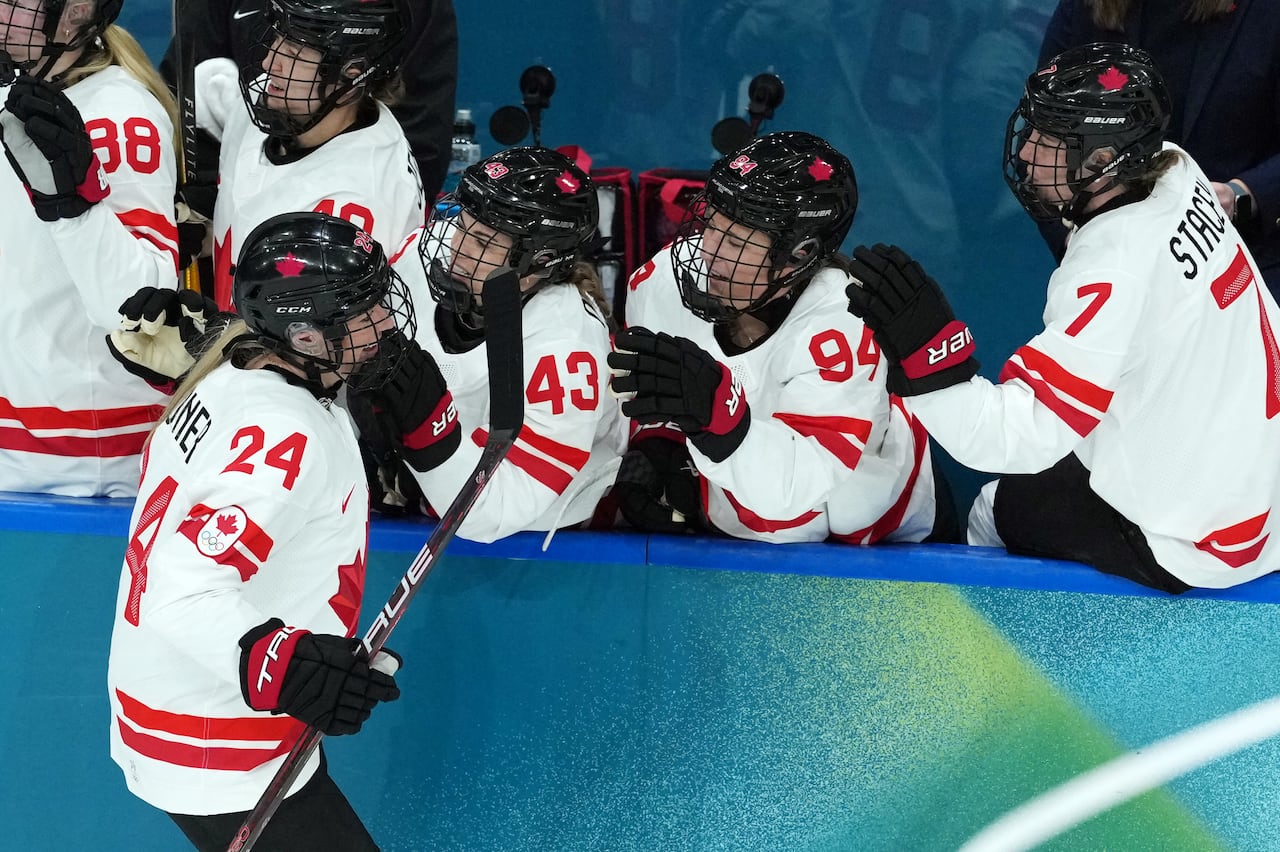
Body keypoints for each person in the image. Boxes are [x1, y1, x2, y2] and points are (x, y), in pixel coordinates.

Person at [847, 43, 1280, 592]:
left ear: (1102, 163)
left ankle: (986, 660)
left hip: (1205, 539)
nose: (1026, 151)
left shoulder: (1113, 268)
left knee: (995, 508)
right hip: (1262, 486)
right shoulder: (1176, 169)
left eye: (1048, 139)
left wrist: (927, 365)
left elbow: (1021, 438)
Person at [108, 212, 418, 851]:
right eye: (363, 312)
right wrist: (285, 664)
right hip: (214, 740)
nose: (385, 323)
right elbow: (184, 590)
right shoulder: (284, 433)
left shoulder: (233, 374)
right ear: (304, 334)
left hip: (187, 709)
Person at [609, 131, 957, 544]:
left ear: (799, 254)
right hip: (741, 518)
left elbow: (792, 503)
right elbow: (654, 399)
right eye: (710, 225)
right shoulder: (660, 283)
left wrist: (717, 417)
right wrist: (659, 442)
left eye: (735, 241)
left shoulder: (843, 326)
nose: (706, 253)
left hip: (878, 536)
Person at [363, 145, 628, 542]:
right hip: (422, 512)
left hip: (538, 547)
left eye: (483, 241)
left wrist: (426, 439)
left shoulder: (565, 349)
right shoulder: (419, 262)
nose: (457, 249)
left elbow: (499, 508)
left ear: (539, 260)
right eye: (463, 224)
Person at [0, 0, 179, 496]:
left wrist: (74, 207)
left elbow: (147, 308)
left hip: (84, 463)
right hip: (19, 448)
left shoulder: (119, 115)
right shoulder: (15, 87)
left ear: (75, 10)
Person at [1036, 0, 1280, 298]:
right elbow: (1040, 142)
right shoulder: (1083, 8)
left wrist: (1239, 195)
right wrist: (1079, 248)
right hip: (1115, 276)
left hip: (1251, 268)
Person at [193, 0, 425, 309]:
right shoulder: (274, 100)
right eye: (276, 38)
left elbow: (317, 345)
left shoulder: (354, 207)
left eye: (292, 54)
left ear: (351, 74)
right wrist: (206, 231)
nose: (268, 64)